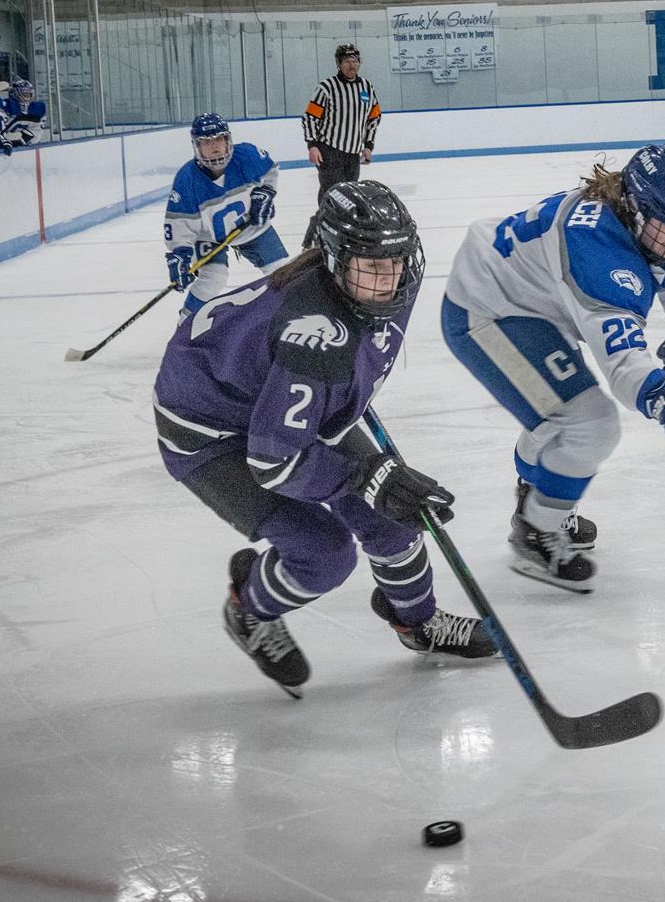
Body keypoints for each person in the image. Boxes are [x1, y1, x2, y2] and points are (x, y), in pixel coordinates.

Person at [154, 180, 497, 697]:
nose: (389, 278)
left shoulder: (384, 281)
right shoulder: (314, 336)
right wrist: (367, 474)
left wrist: (374, 475)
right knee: (324, 553)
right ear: (335, 260)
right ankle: (249, 609)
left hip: (276, 399)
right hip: (208, 434)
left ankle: (417, 622)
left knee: (393, 517)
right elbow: (274, 461)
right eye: (371, 265)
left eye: (396, 260)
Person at [442, 143, 665, 593]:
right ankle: (537, 532)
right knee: (589, 422)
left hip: (533, 302)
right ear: (633, 209)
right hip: (487, 306)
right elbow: (623, 366)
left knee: (564, 413)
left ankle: (536, 489)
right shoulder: (597, 249)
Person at [165, 113, 290, 317]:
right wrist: (179, 254)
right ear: (196, 146)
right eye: (206, 142)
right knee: (213, 277)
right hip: (208, 235)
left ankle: (291, 321)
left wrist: (265, 192)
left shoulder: (247, 155)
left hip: (250, 226)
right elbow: (179, 224)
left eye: (218, 140)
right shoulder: (186, 179)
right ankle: (186, 324)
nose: (214, 147)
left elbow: (271, 171)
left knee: (284, 273)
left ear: (228, 140)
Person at [300, 43, 381, 248]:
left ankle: (327, 235)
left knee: (343, 197)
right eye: (346, 61)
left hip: (352, 155)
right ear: (338, 64)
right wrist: (312, 145)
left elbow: (374, 117)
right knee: (335, 197)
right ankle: (321, 237)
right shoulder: (326, 88)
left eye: (354, 61)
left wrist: (368, 145)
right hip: (329, 151)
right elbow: (310, 117)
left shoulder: (367, 88)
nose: (351, 65)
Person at [0, 78, 49, 146]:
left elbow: (37, 131)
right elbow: (2, 129)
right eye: (25, 93)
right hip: (8, 141)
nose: (27, 96)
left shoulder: (38, 107)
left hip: (28, 143)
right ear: (15, 93)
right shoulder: (7, 105)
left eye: (29, 94)